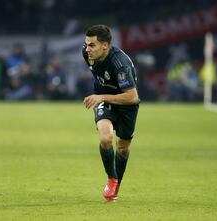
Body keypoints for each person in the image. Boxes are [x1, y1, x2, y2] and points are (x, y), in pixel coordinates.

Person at [82, 25, 140, 202]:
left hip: (126, 105)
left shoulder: (119, 64)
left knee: (122, 147)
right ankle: (112, 179)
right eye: (86, 44)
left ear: (105, 45)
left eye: (92, 45)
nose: (87, 49)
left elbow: (132, 97)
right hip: (105, 102)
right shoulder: (87, 55)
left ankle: (116, 185)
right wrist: (101, 98)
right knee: (105, 138)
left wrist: (101, 95)